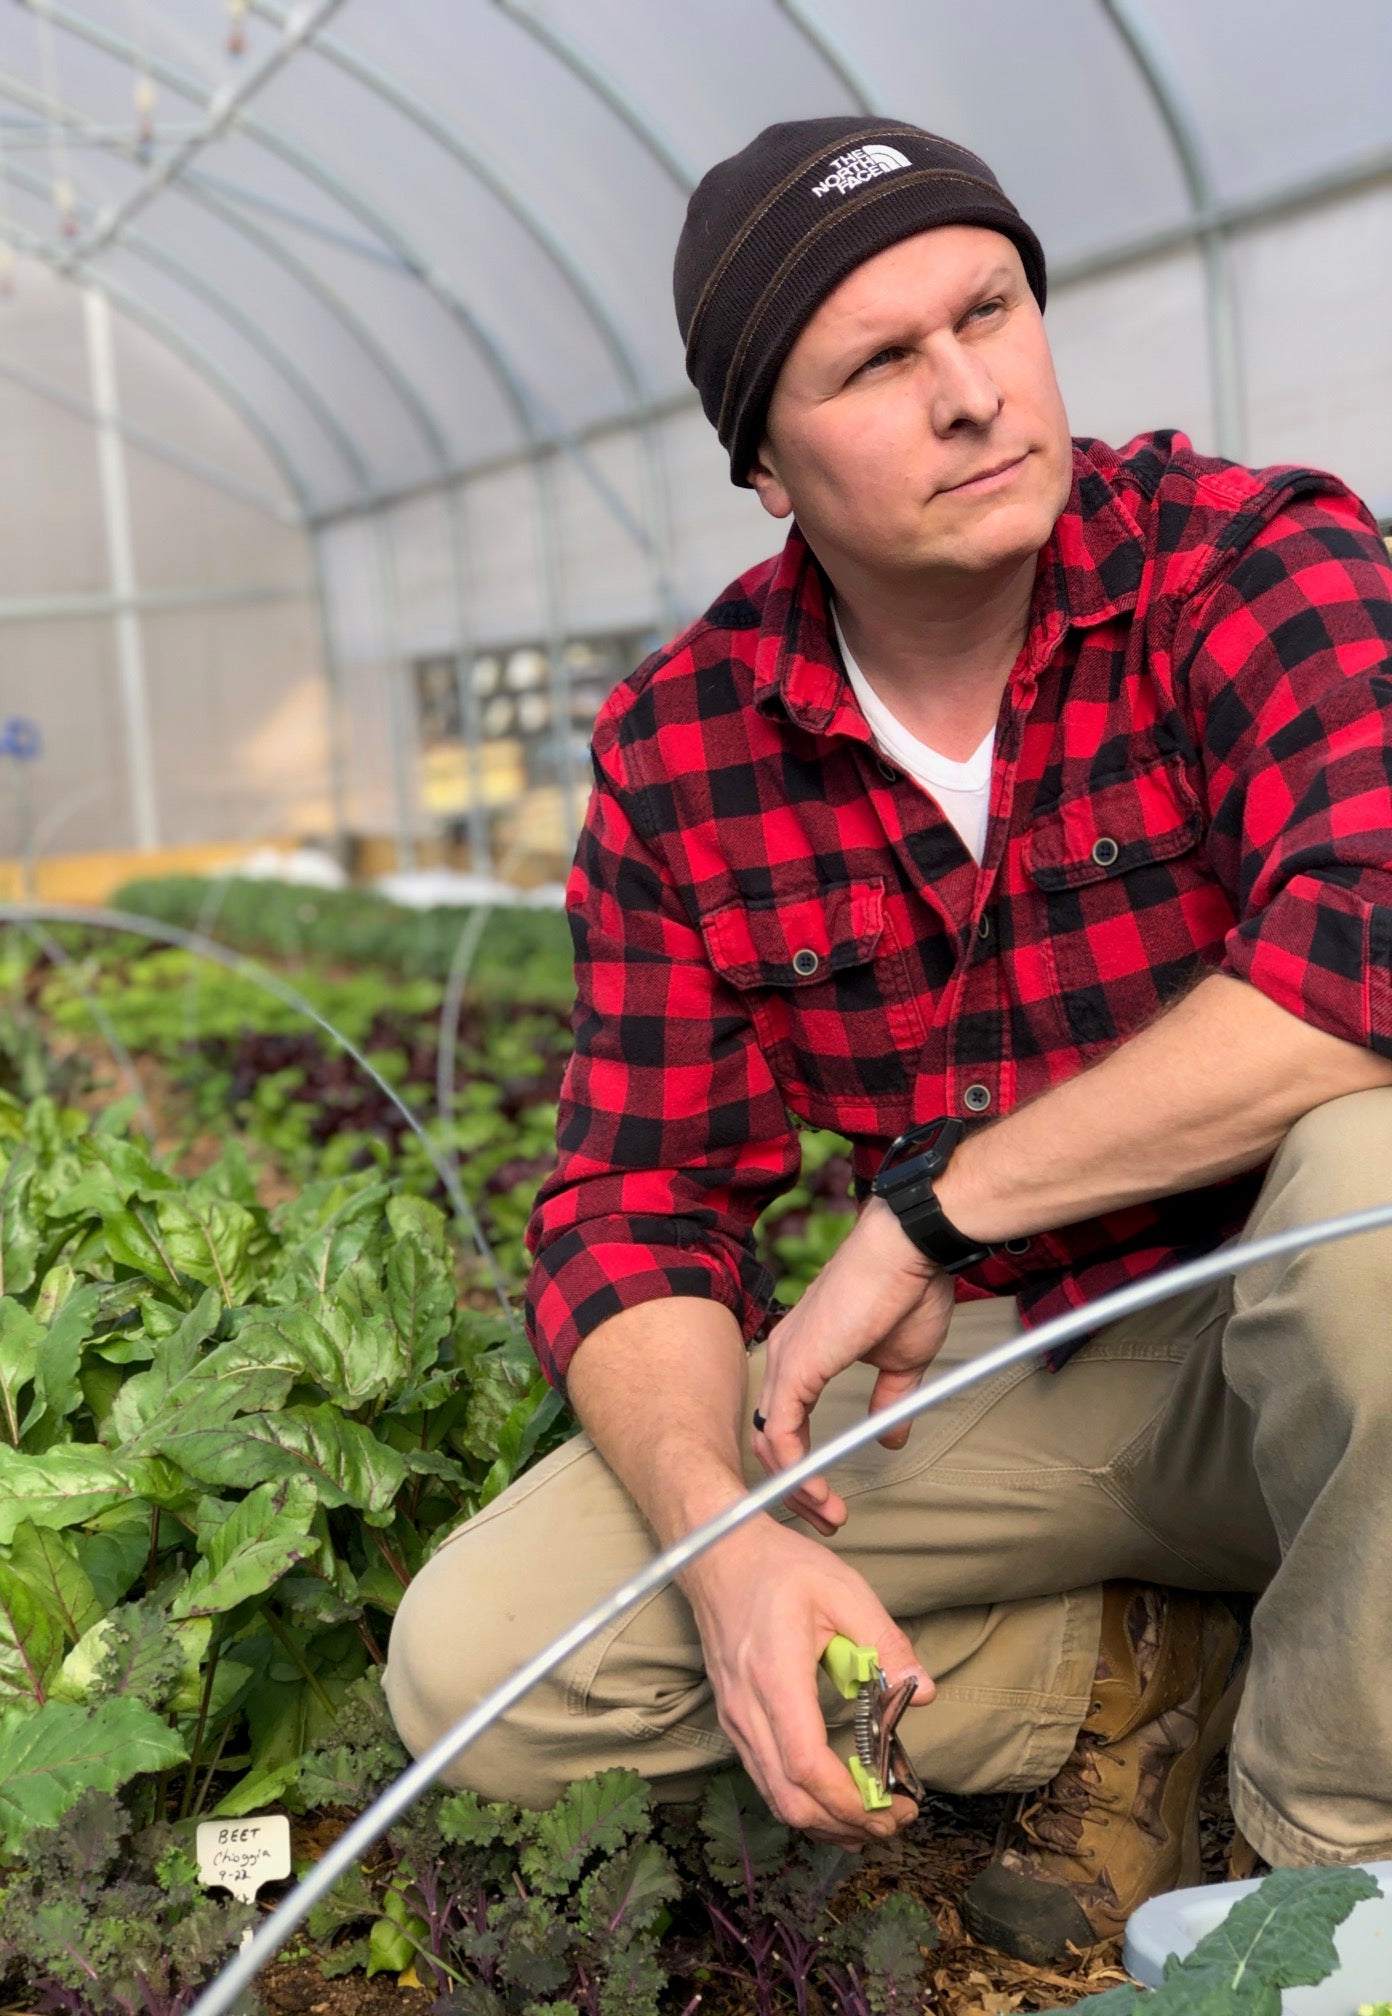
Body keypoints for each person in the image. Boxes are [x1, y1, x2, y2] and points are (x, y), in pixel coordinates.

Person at [384, 116, 1392, 1962]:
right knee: (486, 1674)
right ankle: (1126, 1665)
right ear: (763, 465)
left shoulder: (1250, 559)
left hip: (1330, 1338)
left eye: (987, 312)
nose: (971, 396)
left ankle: (1331, 1861)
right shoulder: (686, 745)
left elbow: (1368, 950)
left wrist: (937, 1211)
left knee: (1376, 1200)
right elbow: (637, 1200)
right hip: (1054, 1375)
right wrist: (723, 1536)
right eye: (876, 364)